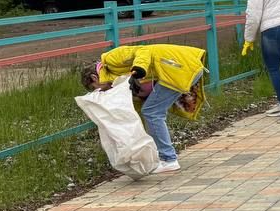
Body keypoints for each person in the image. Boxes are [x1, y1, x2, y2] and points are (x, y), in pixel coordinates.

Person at [81, 44, 207, 174]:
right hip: (178, 69)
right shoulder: (112, 76)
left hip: (178, 67)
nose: (104, 91)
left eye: (98, 89)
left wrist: (137, 71)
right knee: (151, 112)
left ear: (94, 78)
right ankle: (165, 156)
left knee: (152, 112)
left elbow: (144, 50)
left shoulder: (110, 59)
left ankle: (169, 159)